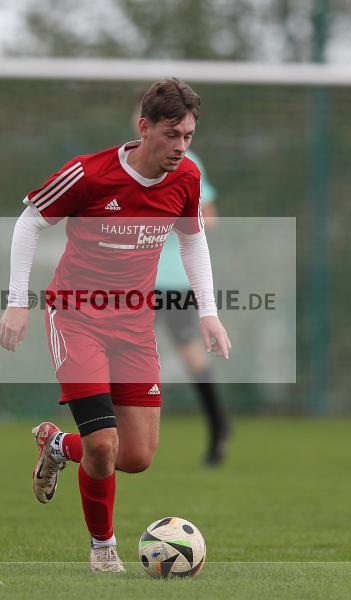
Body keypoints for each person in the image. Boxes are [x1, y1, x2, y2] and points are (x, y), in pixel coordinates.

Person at [0, 78, 231, 572]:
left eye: (188, 136)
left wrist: (208, 311)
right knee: (103, 445)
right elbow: (29, 221)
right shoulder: (89, 173)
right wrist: (17, 302)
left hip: (134, 327)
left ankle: (57, 444)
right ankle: (103, 548)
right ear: (145, 128)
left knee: (138, 455)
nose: (181, 147)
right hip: (76, 317)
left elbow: (192, 240)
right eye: (172, 135)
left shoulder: (186, 178)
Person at [153, 150, 230, 466]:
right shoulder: (129, 159)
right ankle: (113, 438)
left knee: (191, 355)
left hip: (176, 281)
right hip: (135, 280)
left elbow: (210, 218)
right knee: (120, 354)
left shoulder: (187, 162)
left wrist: (170, 217)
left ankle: (218, 427)